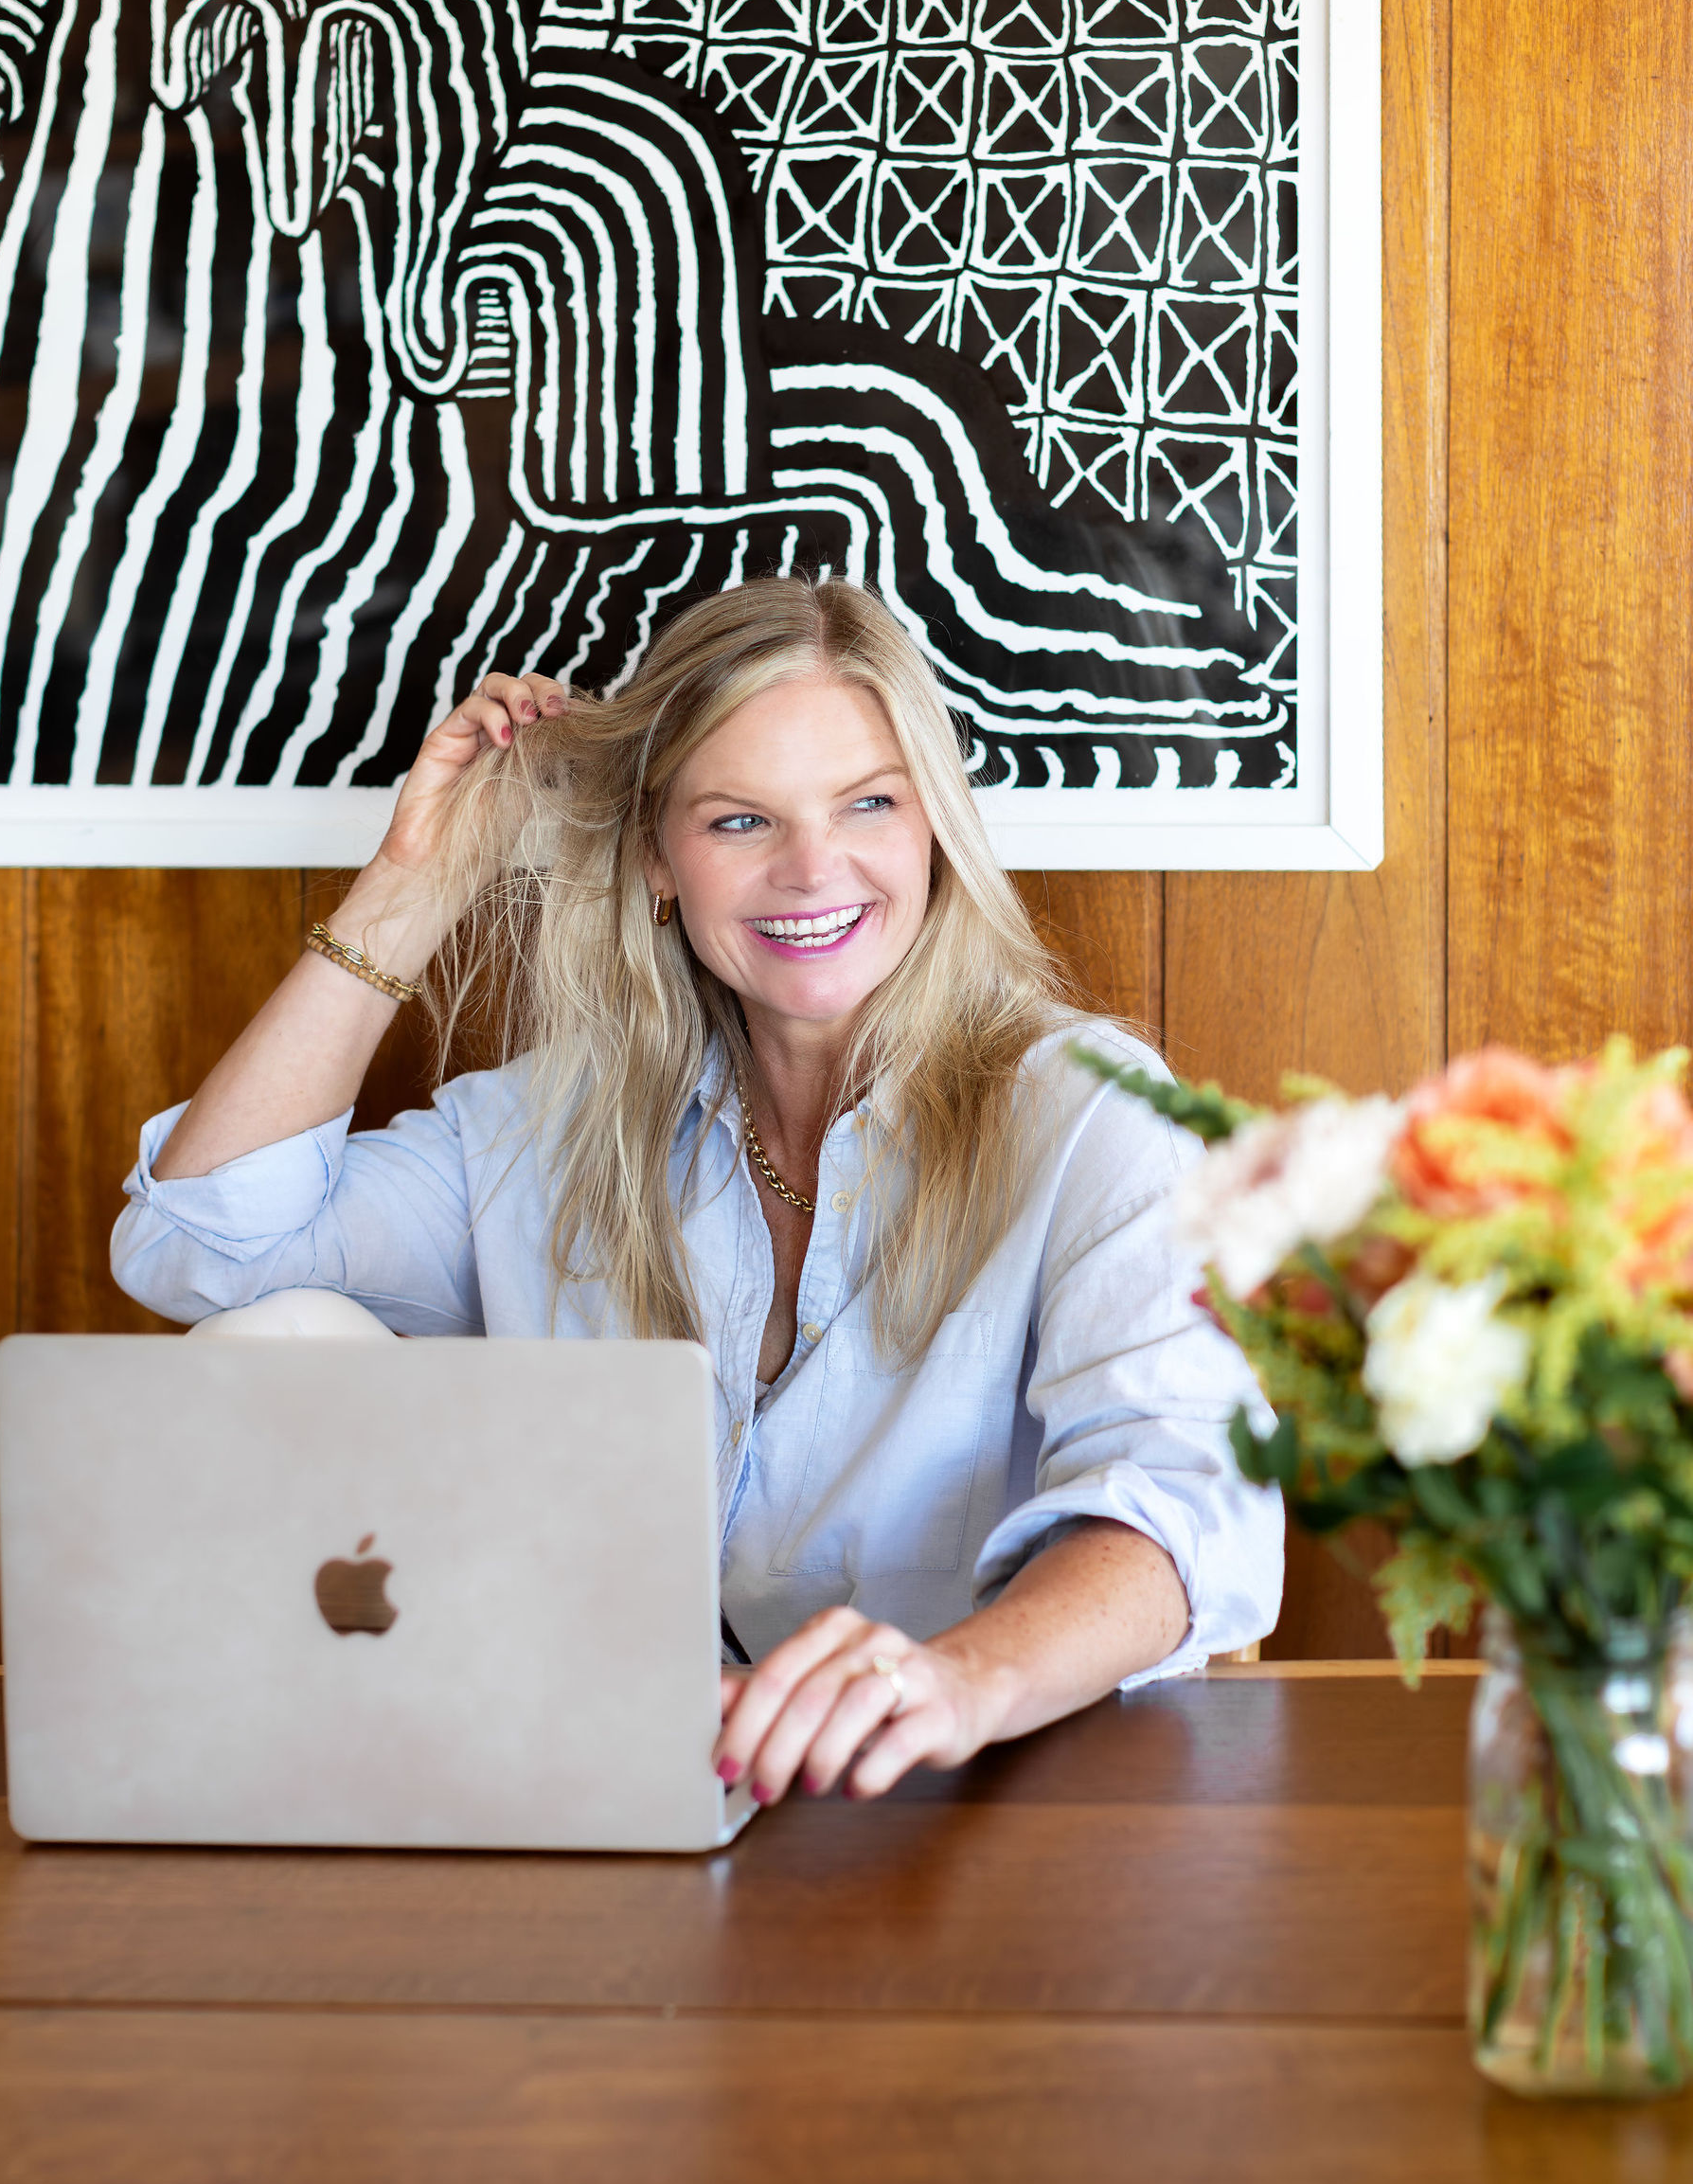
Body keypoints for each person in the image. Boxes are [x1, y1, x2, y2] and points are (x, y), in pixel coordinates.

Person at [114, 576, 1281, 1803]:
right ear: (658, 862)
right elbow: (203, 1252)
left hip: (979, 1805)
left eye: (869, 804)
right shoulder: (543, 1129)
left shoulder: (1092, 1117)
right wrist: (417, 888)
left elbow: (1185, 1499)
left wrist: (956, 1685)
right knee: (279, 1337)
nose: (813, 870)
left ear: (934, 827)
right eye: (739, 822)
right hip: (625, 1811)